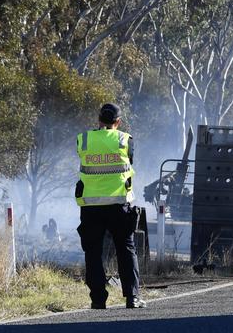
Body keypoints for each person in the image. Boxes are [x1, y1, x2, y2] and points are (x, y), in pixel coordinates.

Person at [75, 103, 145, 309]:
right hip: (119, 204)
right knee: (126, 249)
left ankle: (97, 300)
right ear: (118, 122)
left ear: (98, 119)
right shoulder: (125, 140)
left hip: (91, 206)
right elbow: (130, 161)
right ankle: (132, 297)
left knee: (93, 252)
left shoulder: (84, 140)